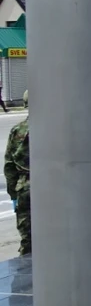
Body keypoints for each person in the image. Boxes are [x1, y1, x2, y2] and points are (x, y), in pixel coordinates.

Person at [4, 93, 29, 255]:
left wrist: (13, 194)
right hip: (51, 189)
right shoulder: (55, 130)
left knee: (28, 238)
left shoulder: (17, 130)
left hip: (24, 188)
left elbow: (9, 166)